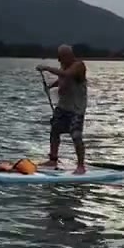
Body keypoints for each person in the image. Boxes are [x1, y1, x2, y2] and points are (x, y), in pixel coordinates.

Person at [37, 44, 88, 174]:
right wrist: (51, 86)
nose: (59, 60)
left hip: (76, 109)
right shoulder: (63, 66)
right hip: (63, 106)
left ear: (69, 56)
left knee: (76, 135)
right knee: (54, 130)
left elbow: (67, 75)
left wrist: (47, 68)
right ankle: (53, 159)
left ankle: (81, 166)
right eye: (58, 57)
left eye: (61, 57)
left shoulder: (78, 66)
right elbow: (62, 79)